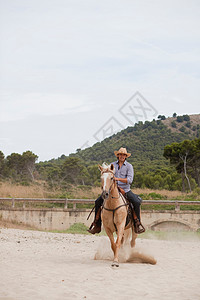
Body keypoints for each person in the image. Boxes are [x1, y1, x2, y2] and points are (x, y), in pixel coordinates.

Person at [88, 147, 145, 234]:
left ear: (126, 156)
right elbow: (107, 174)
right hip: (112, 189)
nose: (122, 156)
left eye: (124, 155)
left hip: (125, 189)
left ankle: (137, 223)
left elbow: (130, 180)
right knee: (97, 202)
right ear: (118, 156)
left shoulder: (129, 166)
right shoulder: (112, 165)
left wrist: (117, 179)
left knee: (136, 202)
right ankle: (97, 224)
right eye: (120, 154)